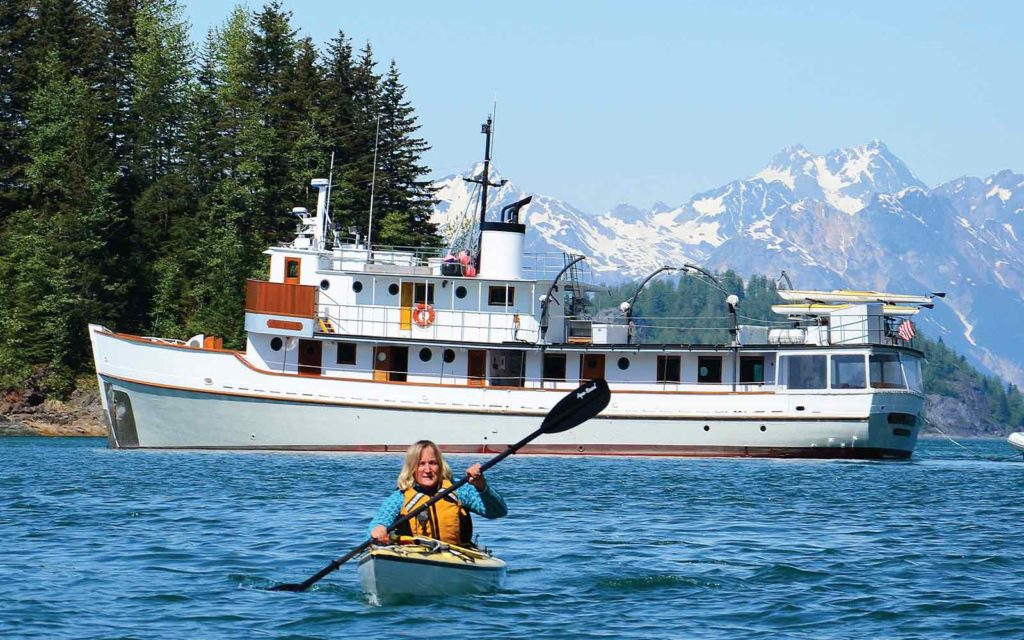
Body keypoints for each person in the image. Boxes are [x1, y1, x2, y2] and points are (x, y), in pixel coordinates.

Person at [367, 440, 507, 546]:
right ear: (412, 468)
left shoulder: (459, 490)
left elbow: (498, 512)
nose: (427, 470)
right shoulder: (400, 497)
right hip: (415, 557)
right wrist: (377, 530)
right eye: (421, 464)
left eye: (432, 463)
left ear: (440, 465)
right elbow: (379, 522)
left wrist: (482, 486)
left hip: (456, 556)